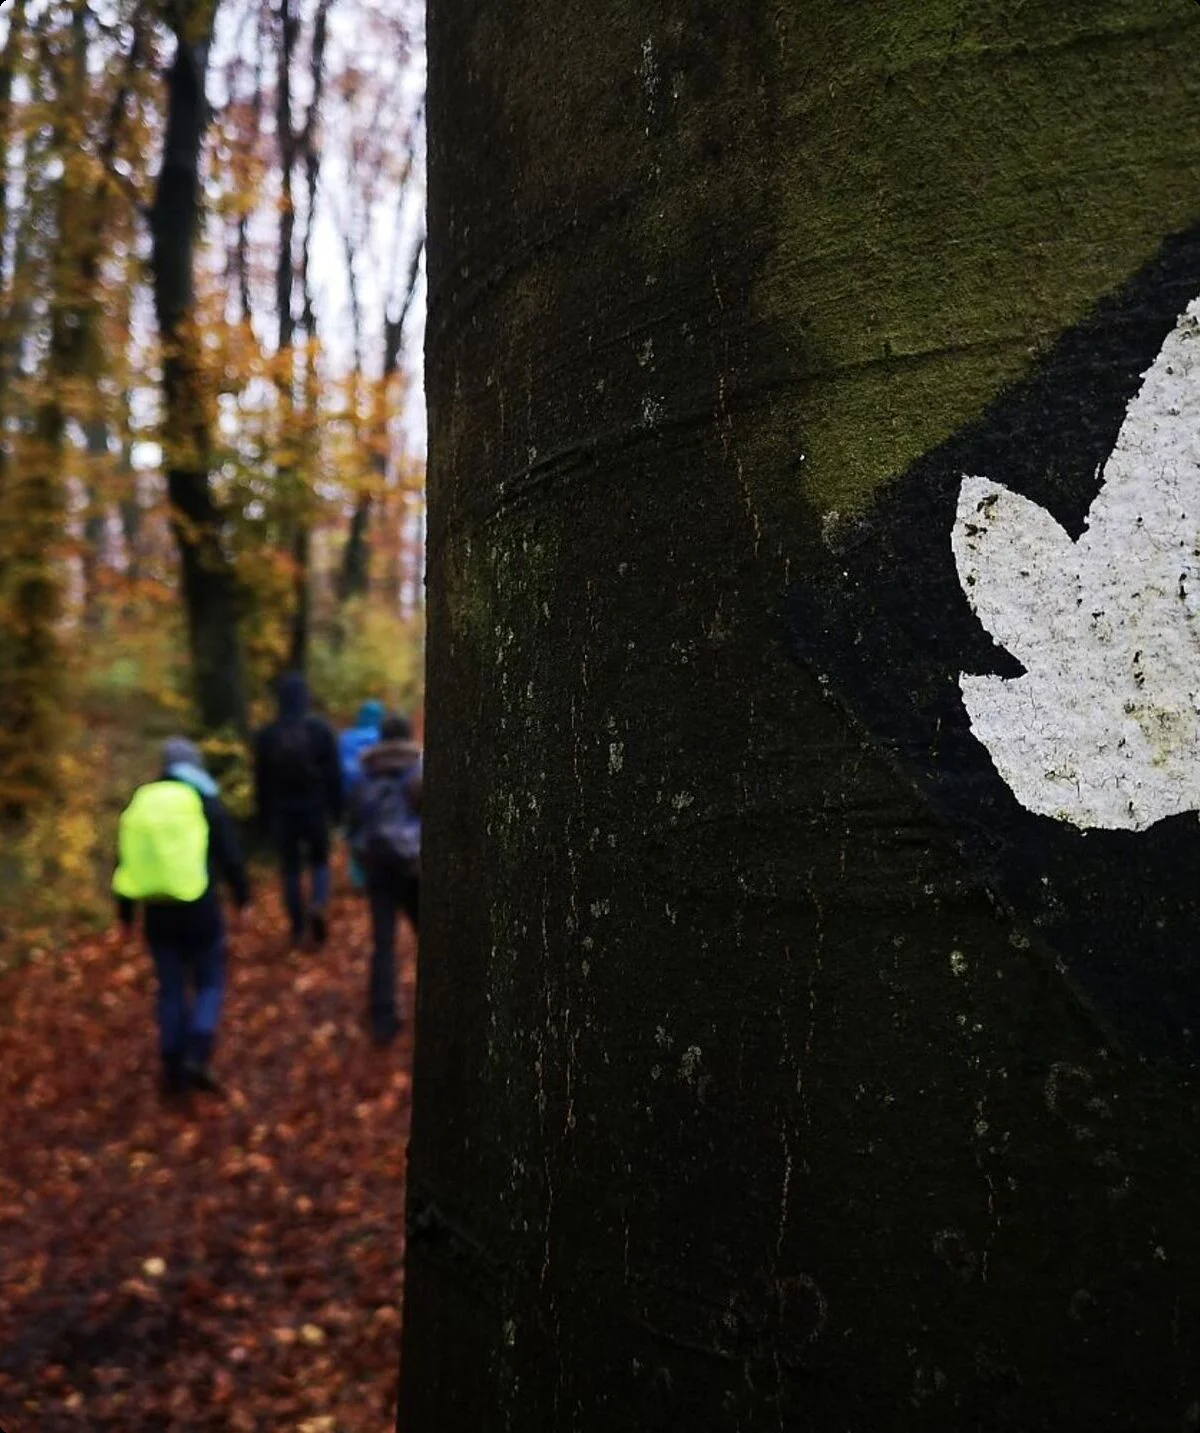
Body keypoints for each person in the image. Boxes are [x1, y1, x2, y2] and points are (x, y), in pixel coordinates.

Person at [113, 737, 251, 1099]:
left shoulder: (143, 801)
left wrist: (125, 916)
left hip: (156, 910)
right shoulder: (203, 798)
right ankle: (198, 1049)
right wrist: (243, 898)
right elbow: (229, 852)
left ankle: (172, 1059)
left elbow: (126, 859)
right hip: (200, 905)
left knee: (170, 986)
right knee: (210, 980)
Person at [347, 714, 422, 1045]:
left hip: (378, 867)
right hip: (415, 866)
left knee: (384, 943)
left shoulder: (365, 774)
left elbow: (353, 822)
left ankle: (383, 1016)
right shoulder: (420, 770)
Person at [254, 671, 343, 949]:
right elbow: (334, 775)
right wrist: (337, 812)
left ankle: (297, 926)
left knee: (290, 869)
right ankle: (318, 903)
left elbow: (261, 781)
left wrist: (263, 818)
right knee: (319, 861)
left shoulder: (267, 735)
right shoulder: (320, 731)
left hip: (283, 812)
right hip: (315, 808)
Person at [339, 699, 386, 891]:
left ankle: (358, 878)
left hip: (350, 795)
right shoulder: (382, 737)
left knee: (354, 836)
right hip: (377, 796)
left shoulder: (346, 738)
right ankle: (374, 875)